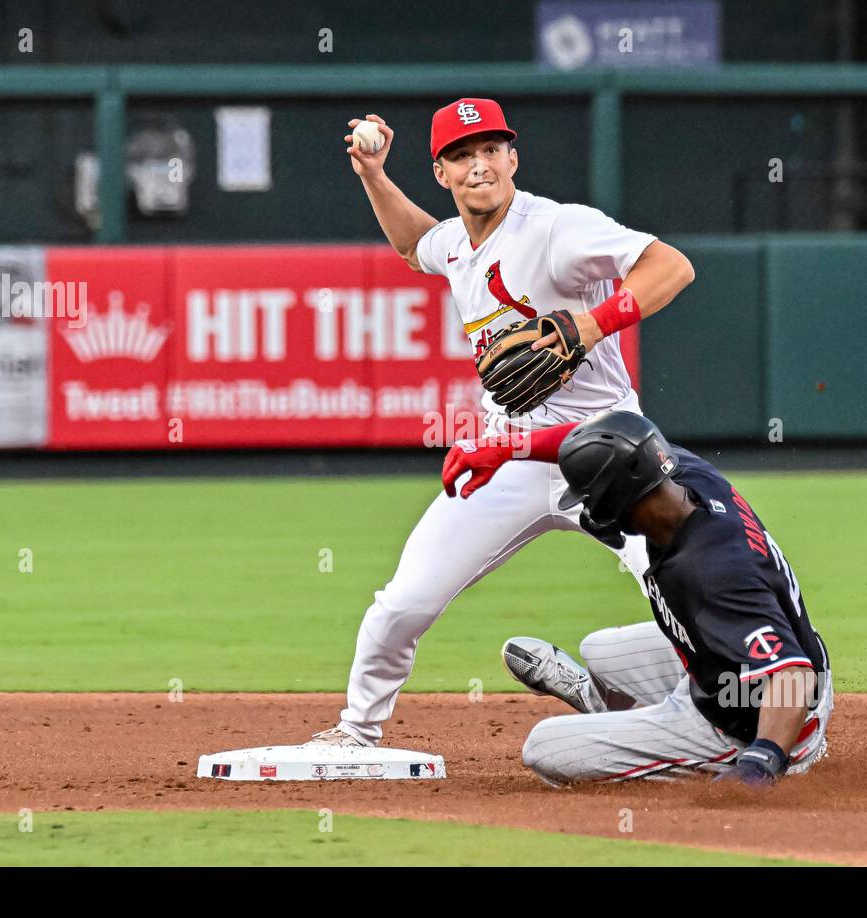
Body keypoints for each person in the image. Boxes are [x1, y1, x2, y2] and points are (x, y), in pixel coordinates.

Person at [313, 98, 694, 747]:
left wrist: (591, 323)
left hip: (604, 445)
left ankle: (725, 708)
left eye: (491, 150)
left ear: (513, 158)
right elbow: (413, 245)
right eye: (462, 155)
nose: (479, 165)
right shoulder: (456, 245)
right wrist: (374, 175)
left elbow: (671, 266)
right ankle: (356, 733)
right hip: (509, 450)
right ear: (442, 173)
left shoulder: (558, 229)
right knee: (403, 603)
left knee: (682, 577)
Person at [447, 410, 833, 789]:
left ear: (618, 497)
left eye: (590, 497)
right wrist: (506, 447)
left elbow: (792, 676)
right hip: (730, 664)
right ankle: (611, 706)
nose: (588, 507)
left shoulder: (713, 572)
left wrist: (763, 758)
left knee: (544, 747)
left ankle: (716, 750)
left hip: (767, 718)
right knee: (599, 649)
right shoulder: (683, 477)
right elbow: (597, 442)